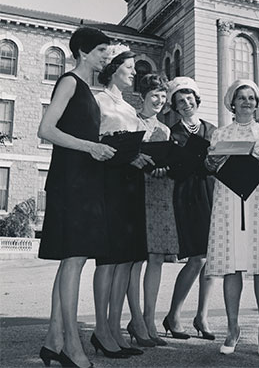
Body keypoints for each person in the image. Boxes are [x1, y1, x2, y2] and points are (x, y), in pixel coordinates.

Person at [38, 27, 117, 368]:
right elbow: (46, 129)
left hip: (85, 181)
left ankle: (54, 339)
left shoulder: (87, 90)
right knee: (73, 259)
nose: (106, 56)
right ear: (84, 52)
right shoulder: (69, 82)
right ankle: (71, 344)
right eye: (101, 50)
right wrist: (91, 146)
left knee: (75, 259)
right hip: (70, 181)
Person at [205, 80, 259, 357]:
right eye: (241, 97)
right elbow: (210, 167)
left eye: (251, 98)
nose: (246, 102)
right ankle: (232, 328)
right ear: (232, 102)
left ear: (257, 103)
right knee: (233, 267)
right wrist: (210, 163)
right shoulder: (220, 134)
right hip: (229, 203)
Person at [92, 45, 152, 359]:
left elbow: (130, 146)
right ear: (114, 67)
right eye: (129, 68)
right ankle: (101, 329)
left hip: (131, 184)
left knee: (127, 259)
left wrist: (139, 156)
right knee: (109, 258)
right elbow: (94, 143)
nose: (133, 73)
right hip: (110, 183)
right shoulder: (98, 100)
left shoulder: (129, 109)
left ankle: (115, 328)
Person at [126, 74, 179, 347]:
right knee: (135, 258)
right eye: (154, 95)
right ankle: (135, 319)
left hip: (159, 191)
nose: (159, 100)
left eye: (162, 95)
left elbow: (167, 161)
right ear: (143, 96)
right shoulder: (129, 121)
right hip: (134, 192)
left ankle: (149, 318)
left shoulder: (165, 131)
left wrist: (164, 166)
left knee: (156, 257)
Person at [163, 77, 216, 340]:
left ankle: (202, 316)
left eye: (189, 99)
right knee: (197, 257)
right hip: (187, 195)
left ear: (197, 100)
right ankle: (174, 315)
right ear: (174, 105)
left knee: (212, 259)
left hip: (212, 193)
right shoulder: (171, 132)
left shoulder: (212, 129)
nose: (186, 104)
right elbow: (172, 167)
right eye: (180, 101)